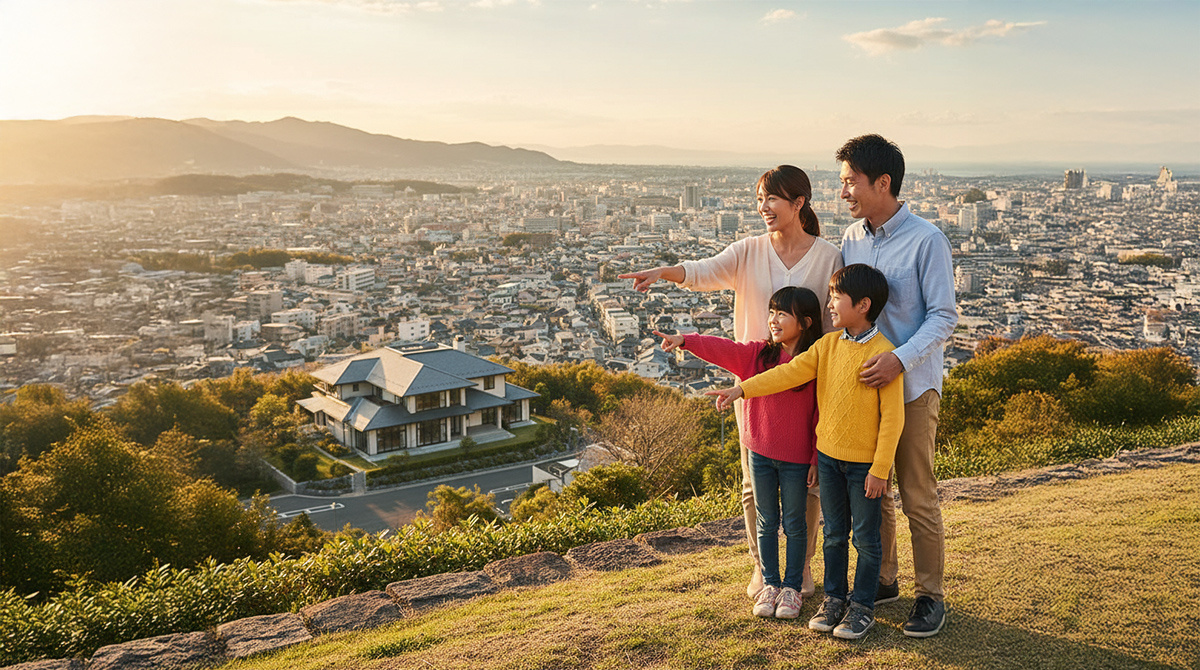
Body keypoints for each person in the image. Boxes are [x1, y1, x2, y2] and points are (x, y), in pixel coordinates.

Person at [618, 165, 842, 600]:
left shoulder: (828, 256)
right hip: (752, 386)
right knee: (751, 483)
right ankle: (764, 568)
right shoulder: (748, 251)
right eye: (759, 199)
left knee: (808, 483)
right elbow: (704, 271)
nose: (763, 208)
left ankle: (802, 567)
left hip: (806, 387)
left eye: (772, 199)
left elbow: (834, 324)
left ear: (799, 204)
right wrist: (664, 272)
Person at [707, 264, 903, 640]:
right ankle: (834, 598)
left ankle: (861, 605)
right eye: (829, 297)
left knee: (865, 536)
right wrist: (742, 390)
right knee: (833, 535)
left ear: (863, 305)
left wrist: (881, 468)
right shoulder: (827, 346)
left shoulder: (885, 355)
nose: (831, 304)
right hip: (828, 458)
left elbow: (892, 419)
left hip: (865, 464)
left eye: (837, 298)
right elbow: (787, 374)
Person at [836, 134, 958, 638]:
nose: (844, 191)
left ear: (881, 183)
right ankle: (884, 578)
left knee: (916, 494)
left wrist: (899, 360)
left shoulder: (927, 240)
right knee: (875, 490)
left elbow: (944, 316)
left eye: (850, 181)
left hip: (911, 387)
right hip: (866, 391)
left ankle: (930, 596)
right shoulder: (852, 239)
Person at [654, 286, 823, 619]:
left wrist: (816, 458)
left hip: (797, 457)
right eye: (771, 312)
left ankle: (792, 588)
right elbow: (724, 349)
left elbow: (821, 413)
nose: (773, 320)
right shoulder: (759, 354)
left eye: (782, 314)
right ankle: (770, 584)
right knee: (766, 520)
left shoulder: (813, 361)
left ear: (805, 322)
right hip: (758, 451)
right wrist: (685, 340)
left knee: (795, 522)